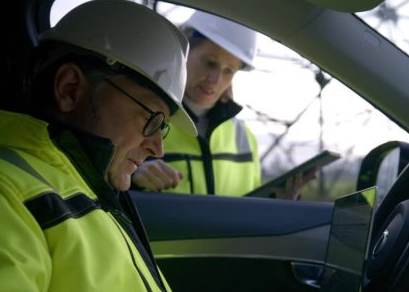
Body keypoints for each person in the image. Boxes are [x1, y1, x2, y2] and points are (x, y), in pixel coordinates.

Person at [0, 0, 278, 292]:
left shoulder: (82, 185)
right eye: (151, 119)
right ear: (69, 89)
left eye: (162, 128)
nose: (158, 148)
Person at [131, 11, 316, 199]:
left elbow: (250, 213)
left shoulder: (244, 138)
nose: (216, 80)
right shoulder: (142, 120)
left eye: (229, 71)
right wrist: (132, 178)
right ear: (183, 52)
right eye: (210, 63)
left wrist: (279, 203)